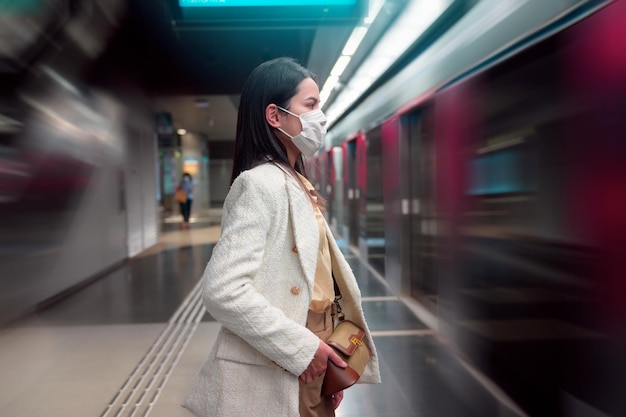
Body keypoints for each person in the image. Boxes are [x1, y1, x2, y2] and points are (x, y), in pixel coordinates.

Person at [182, 57, 380, 417]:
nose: (319, 116)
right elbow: (222, 290)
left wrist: (329, 357)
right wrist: (304, 349)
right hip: (290, 356)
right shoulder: (259, 185)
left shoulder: (293, 180)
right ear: (275, 116)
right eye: (311, 105)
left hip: (315, 351)